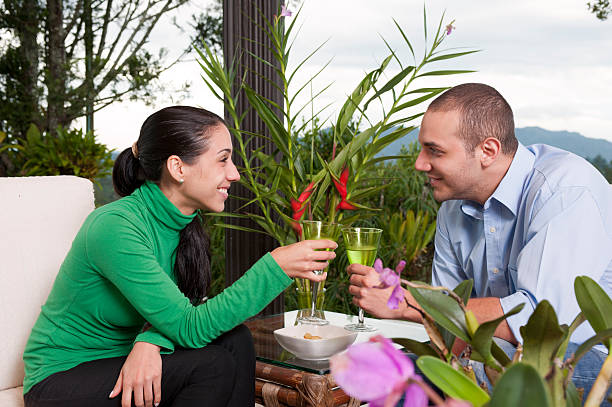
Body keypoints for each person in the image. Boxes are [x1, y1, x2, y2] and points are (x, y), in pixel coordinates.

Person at [22, 106, 337, 407]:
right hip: (60, 380)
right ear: (177, 168)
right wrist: (275, 267)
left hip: (120, 362)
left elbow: (177, 310)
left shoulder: (184, 225)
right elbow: (190, 326)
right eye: (223, 160)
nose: (235, 174)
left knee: (236, 339)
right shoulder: (115, 226)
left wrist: (150, 341)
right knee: (210, 365)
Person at [347, 83, 612, 397]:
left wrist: (404, 303)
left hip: (589, 358)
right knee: (404, 372)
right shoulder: (451, 210)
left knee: (434, 378)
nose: (419, 163)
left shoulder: (565, 190)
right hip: (491, 356)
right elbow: (448, 323)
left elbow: (541, 321)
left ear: (488, 151)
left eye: (434, 151)